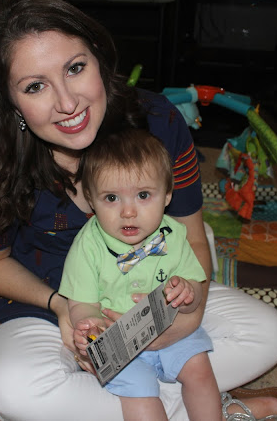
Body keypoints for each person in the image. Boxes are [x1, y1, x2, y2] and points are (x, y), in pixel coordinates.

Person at [0, 0, 277, 420]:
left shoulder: (159, 122)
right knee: (12, 388)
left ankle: (143, 400)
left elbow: (193, 238)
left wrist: (186, 319)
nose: (67, 103)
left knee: (269, 335)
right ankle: (206, 406)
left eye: (75, 68)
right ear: (11, 103)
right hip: (46, 305)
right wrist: (60, 305)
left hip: (154, 286)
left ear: (98, 58)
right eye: (35, 86)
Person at [59, 129, 221, 420]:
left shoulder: (174, 234)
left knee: (200, 370)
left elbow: (195, 291)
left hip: (172, 329)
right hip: (119, 341)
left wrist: (188, 293)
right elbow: (81, 303)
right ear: (91, 200)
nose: (128, 212)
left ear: (167, 195)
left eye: (143, 195)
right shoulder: (87, 246)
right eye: (111, 198)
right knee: (141, 393)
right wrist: (90, 324)